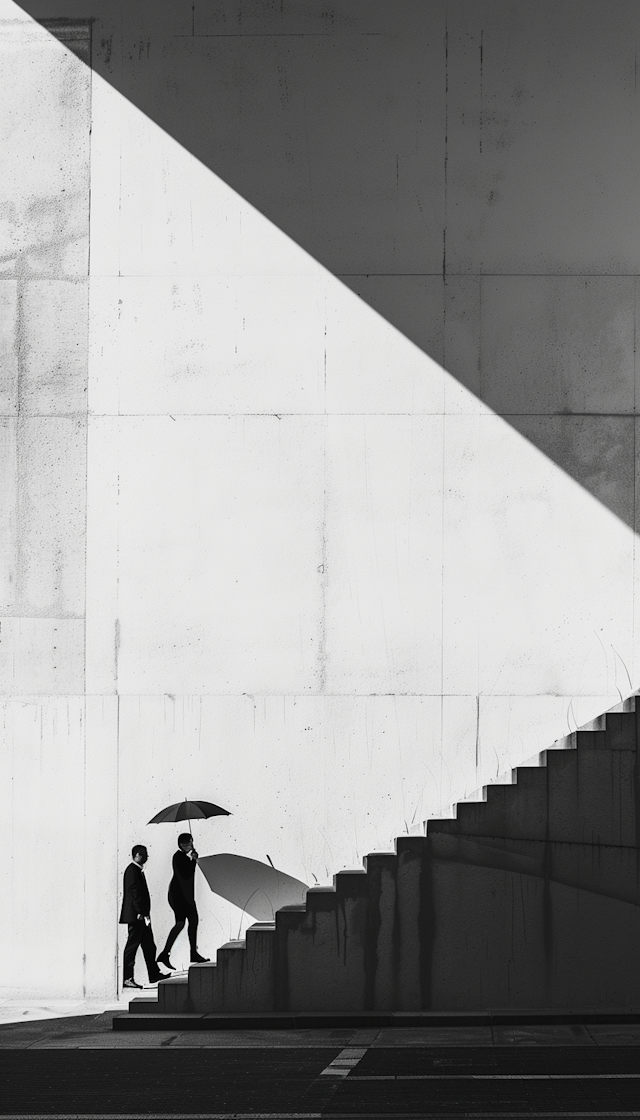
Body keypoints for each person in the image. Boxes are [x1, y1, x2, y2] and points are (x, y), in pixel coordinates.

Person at [119, 845, 170, 989]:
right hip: (137, 916)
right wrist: (141, 911)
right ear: (137, 855)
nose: (147, 857)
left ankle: (154, 974)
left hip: (142, 916)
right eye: (144, 854)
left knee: (149, 946)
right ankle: (127, 978)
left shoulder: (137, 870)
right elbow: (134, 892)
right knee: (132, 946)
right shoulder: (132, 870)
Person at [157, 833, 209, 969]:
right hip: (179, 896)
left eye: (190, 843)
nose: (188, 846)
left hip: (183, 895)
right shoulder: (178, 857)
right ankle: (166, 953)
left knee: (191, 921)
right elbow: (186, 875)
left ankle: (189, 953)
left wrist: (192, 860)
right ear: (180, 844)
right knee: (182, 923)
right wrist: (193, 861)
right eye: (185, 844)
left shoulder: (182, 857)